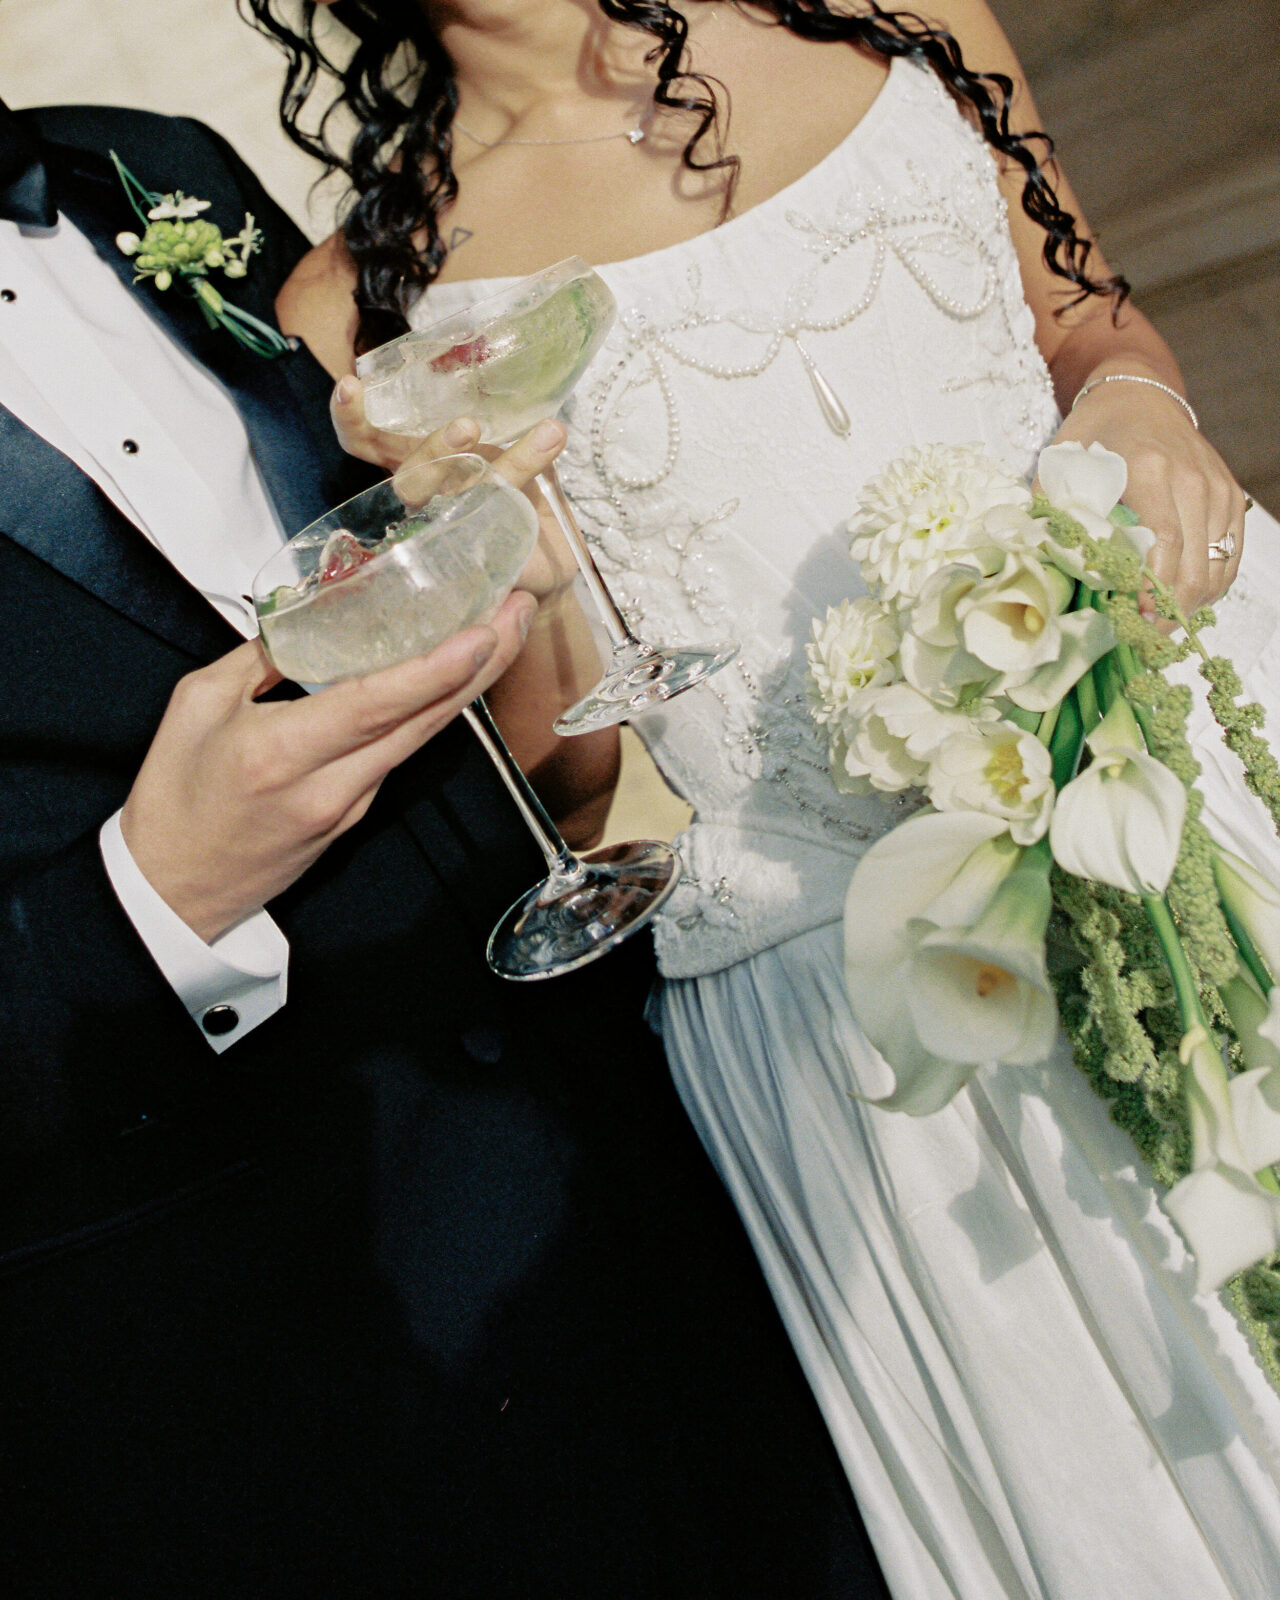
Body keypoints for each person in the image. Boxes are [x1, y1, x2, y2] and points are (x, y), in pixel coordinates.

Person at [257, 0, 1280, 1595]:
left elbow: (1090, 326)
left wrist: (1141, 404)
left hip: (1194, 752)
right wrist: (522, 574)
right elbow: (573, 791)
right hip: (876, 1002)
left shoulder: (900, 17)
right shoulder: (356, 311)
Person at [0, 89, 896, 1598]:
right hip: (286, 1393)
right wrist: (150, 899)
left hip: (668, 1197)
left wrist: (493, 572)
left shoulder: (148, 163)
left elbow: (426, 609)